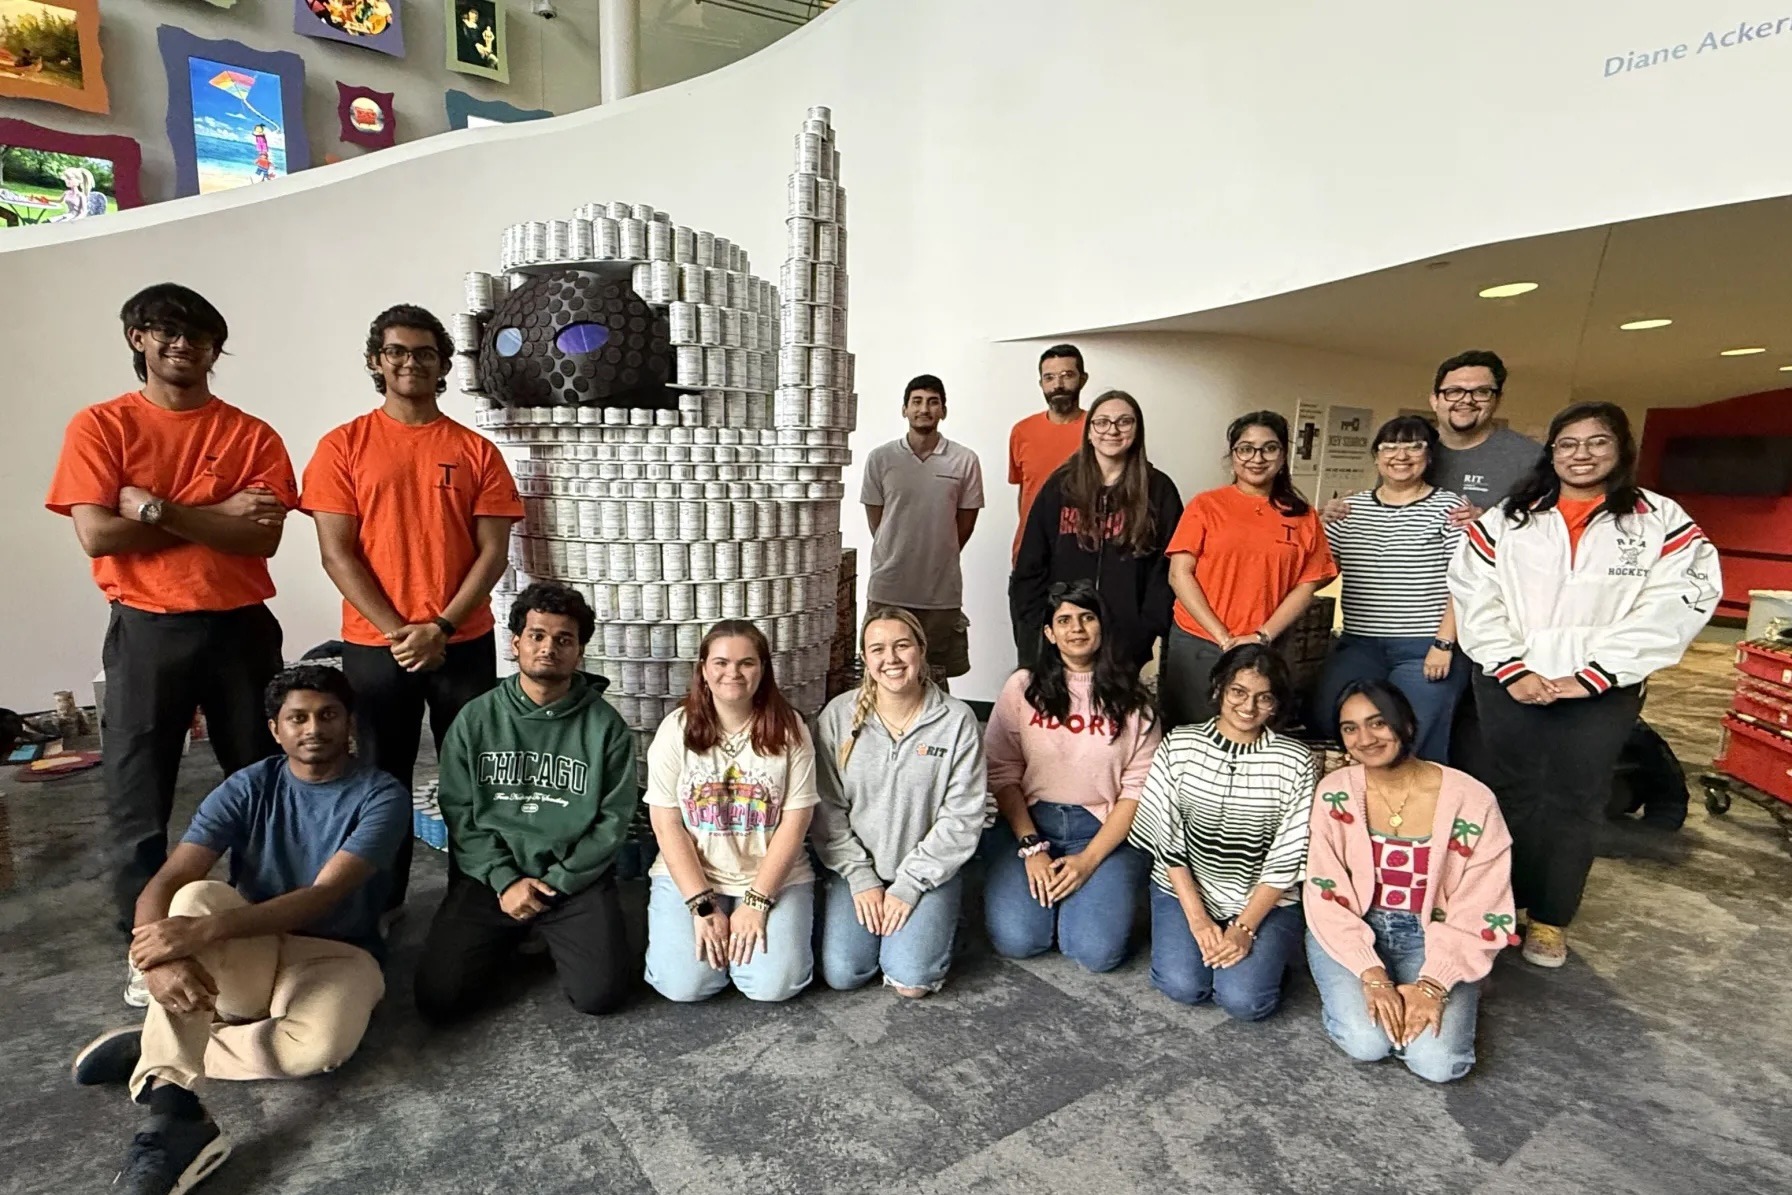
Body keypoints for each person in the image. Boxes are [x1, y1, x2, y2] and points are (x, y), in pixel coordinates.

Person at [69, 666, 409, 1195]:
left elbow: (321, 896)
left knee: (317, 1051)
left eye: (328, 715)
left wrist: (203, 934)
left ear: (349, 724)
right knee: (192, 899)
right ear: (276, 729)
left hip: (338, 952)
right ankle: (174, 1113)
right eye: (298, 718)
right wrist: (154, 961)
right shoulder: (250, 785)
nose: (313, 729)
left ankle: (158, 1042)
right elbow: (168, 879)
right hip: (252, 949)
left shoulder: (381, 795)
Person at [46, 284, 297, 993]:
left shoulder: (251, 435)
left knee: (261, 779)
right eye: (167, 331)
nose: (184, 345)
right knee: (138, 792)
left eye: (200, 335)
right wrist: (217, 513)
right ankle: (148, 952)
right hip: (147, 628)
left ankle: (262, 922)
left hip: (242, 625)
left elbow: (262, 537)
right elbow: (98, 533)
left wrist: (154, 509)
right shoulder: (101, 426)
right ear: (138, 339)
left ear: (217, 349)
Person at [1448, 401, 1720, 967]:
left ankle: (1550, 917)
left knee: (1576, 799)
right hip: (1509, 681)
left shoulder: (1658, 520)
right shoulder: (1511, 517)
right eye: (1567, 443)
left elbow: (1678, 602)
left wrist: (1598, 673)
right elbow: (1475, 592)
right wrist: (1512, 667)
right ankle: (1500, 906)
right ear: (1551, 452)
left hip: (1602, 688)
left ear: (1621, 449)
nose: (1581, 455)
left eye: (1597, 442)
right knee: (1512, 795)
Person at [301, 304, 523, 911]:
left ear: (443, 365)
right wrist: (402, 632)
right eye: (396, 351)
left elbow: (493, 553)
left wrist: (441, 627)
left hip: (462, 643)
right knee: (380, 778)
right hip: (377, 646)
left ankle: (473, 902)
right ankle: (382, 903)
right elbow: (337, 554)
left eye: (425, 353)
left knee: (472, 777)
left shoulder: (475, 451)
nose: (410, 363)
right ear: (376, 361)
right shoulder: (342, 447)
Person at [413, 583, 639, 1022]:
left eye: (564, 639)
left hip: (571, 879)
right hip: (494, 877)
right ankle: (516, 932)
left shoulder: (605, 726)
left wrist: (560, 881)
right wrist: (504, 879)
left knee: (601, 996)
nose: (549, 648)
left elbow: (612, 820)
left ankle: (541, 929)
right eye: (537, 635)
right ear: (515, 643)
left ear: (579, 652)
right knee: (439, 999)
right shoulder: (475, 718)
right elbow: (459, 810)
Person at [1304, 681, 1516, 1082]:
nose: (1365, 739)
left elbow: (1484, 901)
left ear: (1406, 723)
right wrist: (1372, 976)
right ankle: (1380, 997)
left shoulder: (1472, 799)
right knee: (1367, 1043)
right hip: (1352, 926)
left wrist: (1434, 983)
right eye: (1350, 728)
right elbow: (1323, 892)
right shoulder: (1335, 793)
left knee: (1438, 1064)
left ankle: (1463, 979)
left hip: (1436, 933)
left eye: (1378, 722)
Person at [1129, 644, 1316, 1019]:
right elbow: (1167, 841)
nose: (1249, 707)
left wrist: (1244, 927)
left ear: (1276, 704)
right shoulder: (1178, 744)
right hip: (1184, 890)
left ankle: (1268, 959)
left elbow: (1289, 854)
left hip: (1262, 900)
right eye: (1238, 692)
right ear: (1218, 689)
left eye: (1264, 698)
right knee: (1184, 986)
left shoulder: (1296, 760)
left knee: (1245, 1002)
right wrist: (1198, 920)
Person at [985, 582, 1161, 973]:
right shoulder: (1022, 687)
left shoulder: (1134, 700)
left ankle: (1084, 895)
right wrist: (1031, 847)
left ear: (1102, 626)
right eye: (1064, 620)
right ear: (1049, 633)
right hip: (1030, 824)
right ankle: (1056, 898)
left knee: (1095, 953)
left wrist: (1088, 861)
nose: (1076, 628)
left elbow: (1137, 792)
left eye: (1087, 618)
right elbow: (1001, 769)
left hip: (1103, 831)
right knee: (1019, 940)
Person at [811, 608, 987, 996]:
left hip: (927, 870)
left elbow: (962, 816)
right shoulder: (838, 716)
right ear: (866, 658)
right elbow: (827, 808)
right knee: (845, 974)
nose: (890, 658)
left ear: (921, 650)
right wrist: (860, 877)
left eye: (902, 645)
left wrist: (909, 885)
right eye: (878, 649)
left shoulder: (957, 721)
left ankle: (937, 922)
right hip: (857, 869)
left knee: (911, 980)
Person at [643, 620, 819, 1003]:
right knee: (685, 986)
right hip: (696, 871)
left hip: (771, 874)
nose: (733, 673)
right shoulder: (675, 729)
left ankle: (755, 945)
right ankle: (718, 950)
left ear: (763, 669)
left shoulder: (791, 729)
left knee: (773, 986)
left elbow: (796, 821)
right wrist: (702, 906)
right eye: (721, 663)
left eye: (746, 663)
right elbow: (666, 823)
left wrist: (757, 901)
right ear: (704, 670)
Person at [1160, 411, 1335, 728]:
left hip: (1269, 645)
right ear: (1232, 455)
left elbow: (1308, 584)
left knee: (1257, 734)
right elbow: (1179, 574)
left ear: (1283, 455)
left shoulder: (1302, 516)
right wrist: (1223, 637)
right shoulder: (1206, 505)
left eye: (1269, 448)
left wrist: (1262, 636)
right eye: (1246, 449)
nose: (1257, 458)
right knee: (1190, 733)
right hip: (1200, 641)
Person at [1309, 416, 1467, 762]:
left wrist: (1443, 643)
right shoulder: (1350, 510)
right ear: (1376, 456)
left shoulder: (1449, 508)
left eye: (1414, 446)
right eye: (1390, 446)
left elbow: (1465, 582)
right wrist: (1316, 523)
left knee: (1411, 736)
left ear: (1429, 456)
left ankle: (1418, 796)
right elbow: (1318, 573)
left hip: (1424, 645)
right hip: (1360, 642)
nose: (1401, 455)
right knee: (1328, 717)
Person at [1010, 389, 1183, 674]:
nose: (1112, 430)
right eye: (1102, 422)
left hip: (1125, 642)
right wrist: (1040, 623)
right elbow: (1031, 562)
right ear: (1089, 432)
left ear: (1137, 430)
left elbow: (1166, 569)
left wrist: (1145, 630)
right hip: (1063, 636)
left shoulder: (1159, 490)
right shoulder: (1061, 486)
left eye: (1124, 422)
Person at [860, 374, 985, 689]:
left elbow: (965, 524)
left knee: (934, 677)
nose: (924, 409)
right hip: (888, 589)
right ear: (904, 409)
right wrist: (897, 547)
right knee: (882, 676)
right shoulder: (881, 458)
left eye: (933, 402)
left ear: (944, 410)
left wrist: (938, 552)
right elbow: (877, 522)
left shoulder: (965, 460)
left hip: (939, 593)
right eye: (916, 402)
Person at [1008, 343, 1089, 572]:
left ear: (1083, 379)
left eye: (1067, 375)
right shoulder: (1022, 431)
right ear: (1041, 383)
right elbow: (1025, 490)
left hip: (1084, 551)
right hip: (1030, 552)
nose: (1058, 385)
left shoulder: (1099, 429)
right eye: (1050, 377)